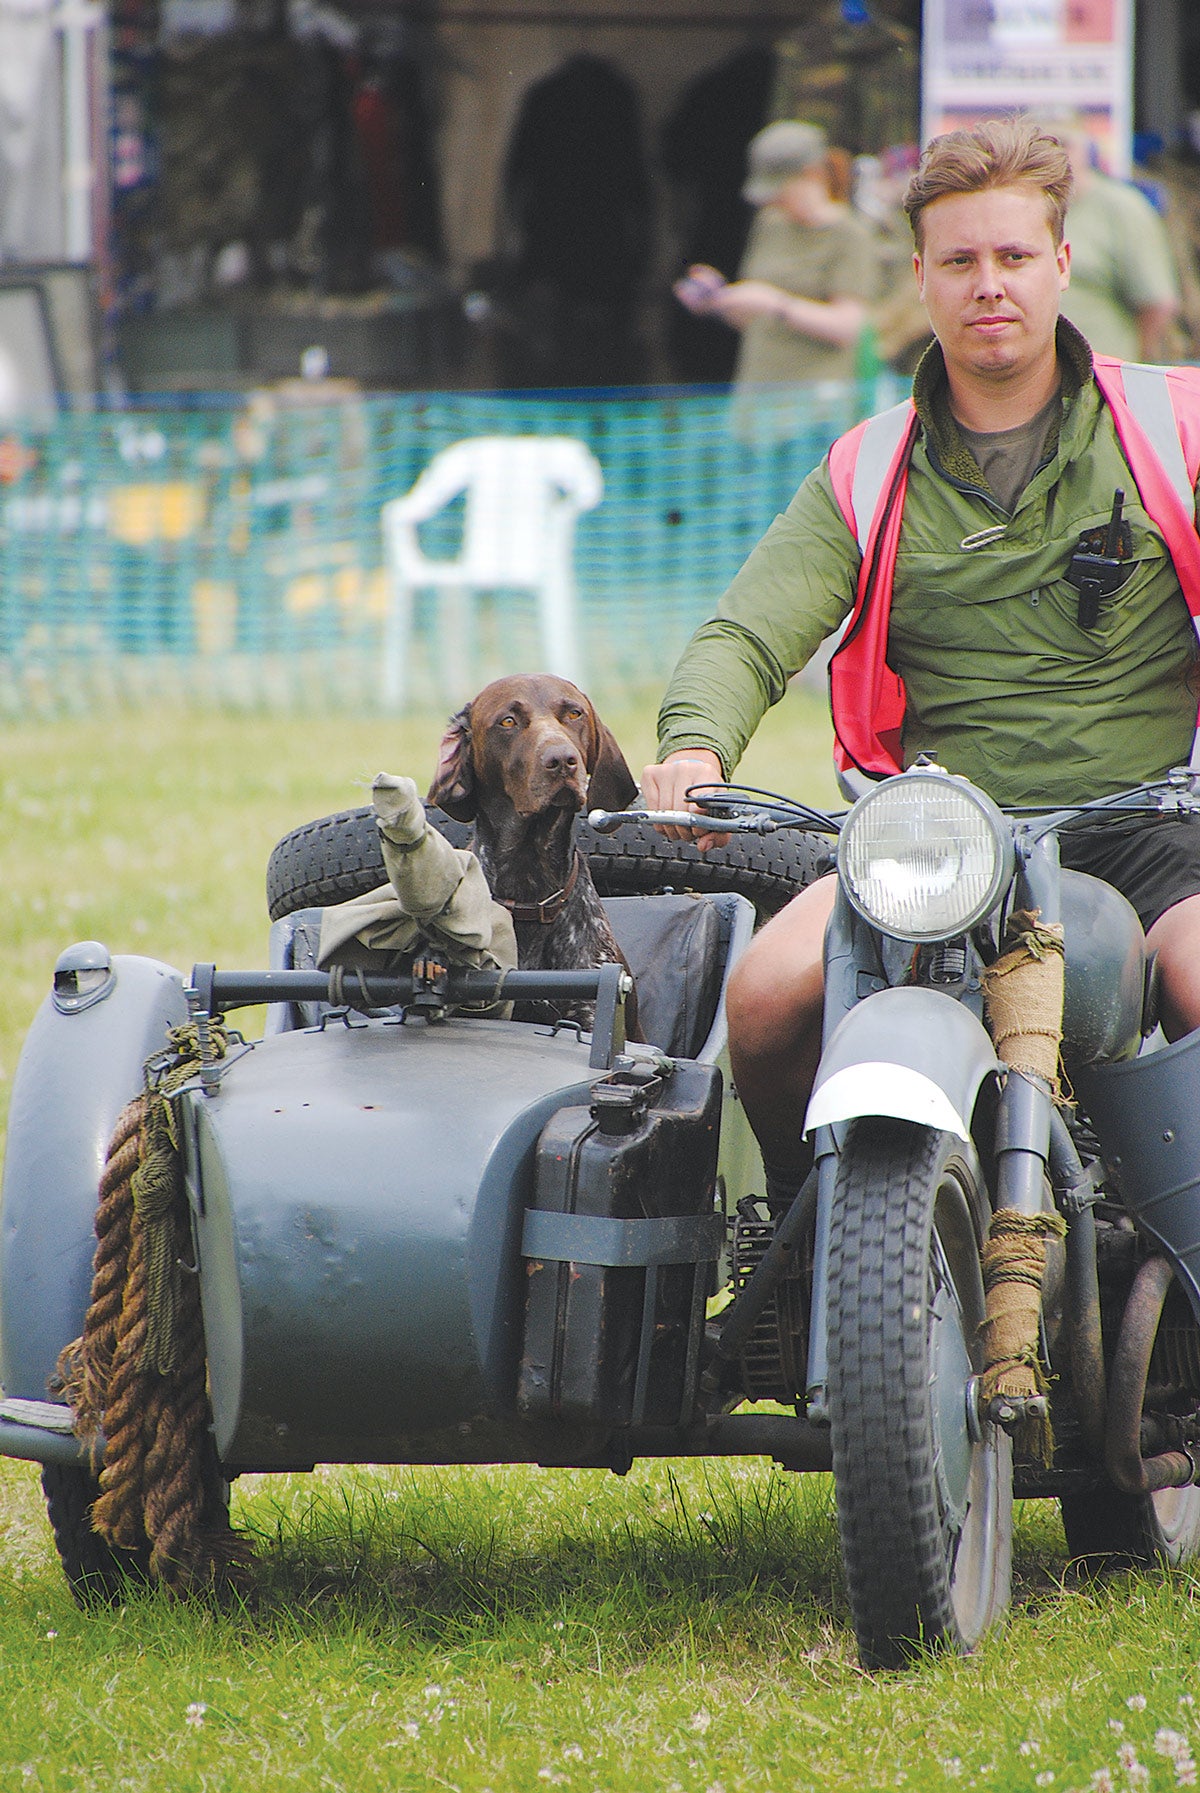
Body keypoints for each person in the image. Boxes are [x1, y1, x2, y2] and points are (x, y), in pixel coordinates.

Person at [643, 114, 1200, 1207]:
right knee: (761, 997)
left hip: (1150, 827)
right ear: (921, 276)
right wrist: (692, 745)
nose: (988, 285)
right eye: (959, 261)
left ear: (1062, 264)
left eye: (1013, 256)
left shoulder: (1172, 425)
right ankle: (812, 1252)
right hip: (934, 839)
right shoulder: (868, 467)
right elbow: (745, 633)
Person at [674, 119, 878, 439]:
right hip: (755, 408)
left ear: (812, 174)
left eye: (780, 189)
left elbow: (849, 327)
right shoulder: (770, 224)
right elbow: (751, 316)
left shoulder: (850, 236)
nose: (774, 201)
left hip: (813, 418)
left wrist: (777, 304)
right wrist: (718, 299)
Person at [1052, 119, 1180, 362]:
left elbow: (1157, 302)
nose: (1055, 154)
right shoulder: (1022, 209)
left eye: (1065, 144)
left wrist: (1134, 364)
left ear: (1086, 150)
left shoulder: (1122, 207)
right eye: (1044, 144)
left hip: (1102, 372)